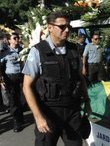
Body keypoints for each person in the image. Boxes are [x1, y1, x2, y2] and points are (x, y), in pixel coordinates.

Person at [22, 11, 90, 146]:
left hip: (72, 111)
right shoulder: (38, 51)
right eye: (62, 26)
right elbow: (26, 86)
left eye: (68, 26)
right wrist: (38, 117)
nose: (67, 30)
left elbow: (80, 78)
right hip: (48, 112)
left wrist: (87, 100)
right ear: (50, 27)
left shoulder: (74, 49)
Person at [0, 32, 24, 132]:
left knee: (23, 99)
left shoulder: (23, 50)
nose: (17, 39)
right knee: (13, 100)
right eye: (14, 38)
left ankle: (21, 116)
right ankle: (17, 122)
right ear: (9, 40)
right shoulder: (4, 52)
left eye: (18, 37)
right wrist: (1, 80)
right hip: (11, 78)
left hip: (23, 76)